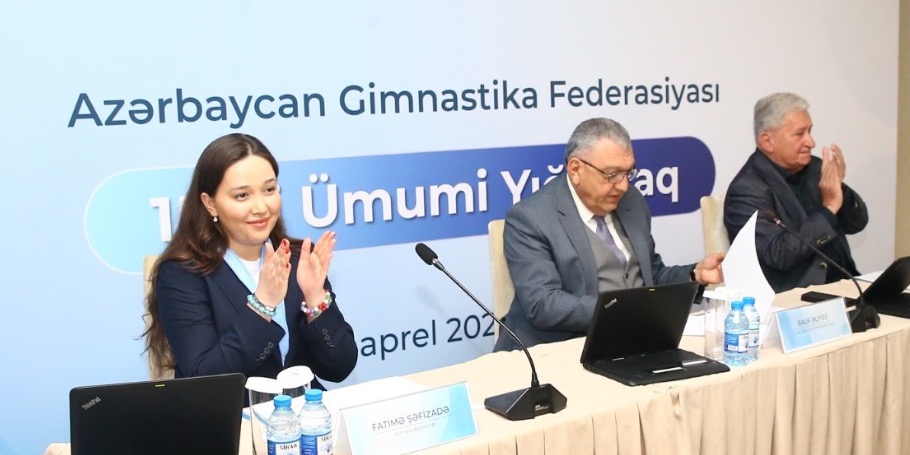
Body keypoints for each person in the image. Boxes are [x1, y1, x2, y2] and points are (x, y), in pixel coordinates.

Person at [144, 133, 358, 390]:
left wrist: (316, 300)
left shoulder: (297, 258)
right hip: (236, 413)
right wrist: (263, 304)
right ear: (210, 204)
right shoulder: (182, 273)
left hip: (304, 409)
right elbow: (204, 380)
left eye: (269, 190)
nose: (261, 207)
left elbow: (340, 367)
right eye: (242, 195)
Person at [493, 118, 725, 352]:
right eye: (612, 174)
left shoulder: (631, 201)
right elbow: (544, 305)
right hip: (562, 350)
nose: (623, 186)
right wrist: (620, 310)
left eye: (628, 173)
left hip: (633, 343)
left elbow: (650, 275)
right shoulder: (531, 218)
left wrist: (694, 274)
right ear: (575, 169)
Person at [724, 92, 869, 292]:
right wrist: (829, 208)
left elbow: (856, 224)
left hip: (847, 283)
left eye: (810, 131)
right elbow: (778, 255)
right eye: (800, 134)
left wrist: (839, 188)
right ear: (767, 141)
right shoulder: (746, 190)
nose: (811, 142)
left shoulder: (815, 168)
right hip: (797, 297)